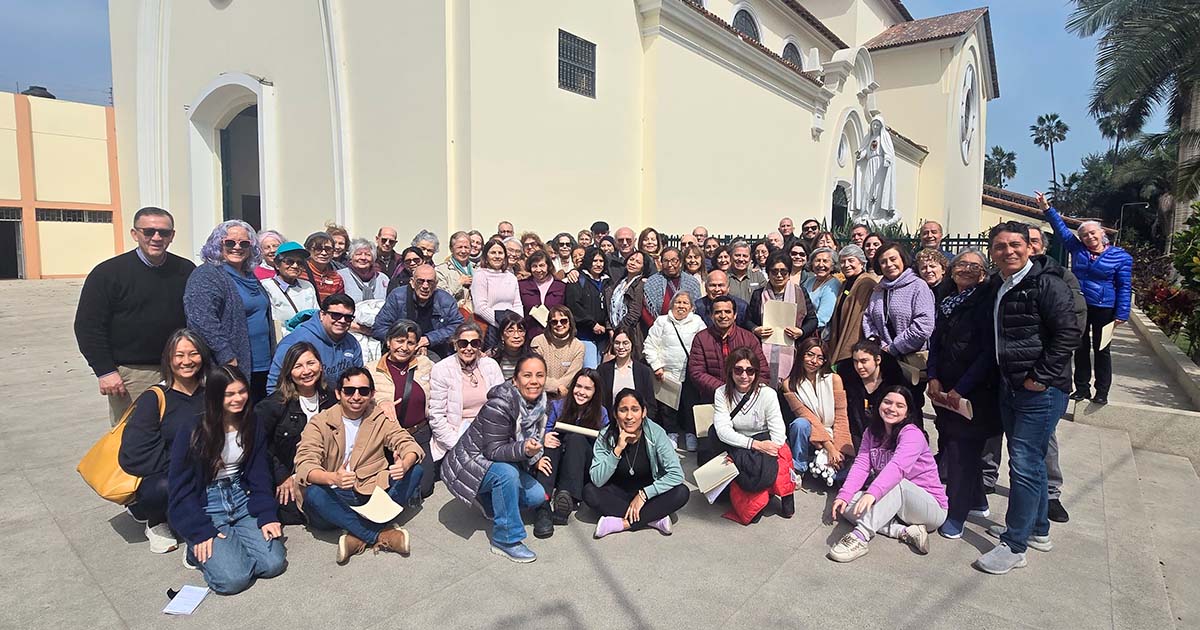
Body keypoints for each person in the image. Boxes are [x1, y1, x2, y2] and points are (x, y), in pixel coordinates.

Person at [974, 221, 1081, 575]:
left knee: (1022, 463)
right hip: (1011, 385)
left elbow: (1068, 334)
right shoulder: (1002, 284)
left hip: (1039, 390)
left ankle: (1014, 545)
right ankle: (1038, 529)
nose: (1009, 251)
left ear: (1030, 247)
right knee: (1030, 461)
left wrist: (1040, 377)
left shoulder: (1046, 283)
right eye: (1001, 246)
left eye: (1015, 244)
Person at [167, 366, 286, 594]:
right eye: (229, 394)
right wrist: (198, 529)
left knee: (273, 564)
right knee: (234, 580)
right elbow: (180, 487)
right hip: (206, 502)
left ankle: (231, 545)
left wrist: (266, 514)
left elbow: (259, 473)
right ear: (214, 396)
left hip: (241, 496)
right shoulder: (193, 429)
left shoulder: (252, 422)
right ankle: (196, 551)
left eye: (242, 392)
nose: (238, 399)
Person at [75, 206, 195, 425]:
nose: (156, 237)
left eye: (164, 232)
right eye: (148, 232)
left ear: (172, 236)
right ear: (135, 234)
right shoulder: (107, 273)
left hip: (181, 368)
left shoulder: (186, 270)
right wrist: (105, 371)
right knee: (133, 436)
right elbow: (88, 327)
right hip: (134, 375)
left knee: (180, 430)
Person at [295, 367, 422, 563]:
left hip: (369, 491)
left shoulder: (377, 417)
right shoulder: (320, 422)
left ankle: (357, 535)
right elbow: (304, 463)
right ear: (338, 393)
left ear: (372, 394)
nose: (356, 396)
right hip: (334, 497)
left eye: (363, 391)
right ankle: (379, 535)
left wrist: (404, 463)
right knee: (313, 493)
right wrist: (332, 478)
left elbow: (405, 441)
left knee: (416, 471)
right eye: (349, 390)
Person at [441, 354, 551, 563]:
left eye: (540, 375)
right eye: (527, 375)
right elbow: (494, 450)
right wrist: (525, 451)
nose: (534, 381)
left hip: (497, 462)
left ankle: (488, 500)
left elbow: (530, 438)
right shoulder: (500, 405)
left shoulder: (541, 404)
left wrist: (535, 453)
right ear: (515, 380)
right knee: (507, 475)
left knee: (536, 495)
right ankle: (505, 539)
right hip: (469, 464)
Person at [926, 250, 1002, 539]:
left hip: (974, 391)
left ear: (984, 273)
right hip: (944, 387)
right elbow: (936, 342)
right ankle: (978, 501)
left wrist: (961, 388)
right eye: (961, 264)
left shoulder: (986, 302)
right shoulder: (946, 301)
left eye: (975, 265)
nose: (966, 269)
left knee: (961, 451)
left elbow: (987, 353)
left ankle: (955, 514)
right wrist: (932, 376)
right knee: (954, 443)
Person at [827, 387, 947, 562]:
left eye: (900, 405)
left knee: (896, 483)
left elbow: (897, 469)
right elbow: (862, 465)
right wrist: (845, 495)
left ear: (907, 413)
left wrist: (872, 494)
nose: (892, 408)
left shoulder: (913, 434)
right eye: (888, 402)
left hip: (929, 508)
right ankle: (903, 531)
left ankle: (860, 537)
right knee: (847, 503)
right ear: (879, 404)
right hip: (895, 504)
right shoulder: (872, 432)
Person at [119, 329, 209, 553]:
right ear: (169, 359)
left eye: (193, 354)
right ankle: (154, 519)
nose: (186, 361)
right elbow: (134, 454)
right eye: (179, 355)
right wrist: (183, 465)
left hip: (205, 469)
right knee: (163, 487)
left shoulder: (211, 392)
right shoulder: (155, 398)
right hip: (165, 474)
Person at [1041, 194, 1131, 405]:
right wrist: (1047, 208)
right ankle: (1082, 388)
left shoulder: (1121, 257)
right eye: (1084, 235)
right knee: (1080, 347)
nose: (1089, 237)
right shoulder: (1078, 250)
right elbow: (1061, 230)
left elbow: (1125, 286)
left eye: (1092, 233)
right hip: (1080, 305)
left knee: (1102, 350)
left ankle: (1102, 391)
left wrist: (1122, 313)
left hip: (1105, 308)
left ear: (1102, 233)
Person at [185, 220, 275, 403]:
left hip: (262, 365)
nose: (237, 247)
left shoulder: (250, 276)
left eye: (244, 243)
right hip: (231, 366)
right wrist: (227, 356)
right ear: (217, 244)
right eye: (229, 242)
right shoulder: (207, 275)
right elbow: (202, 321)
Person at [585, 388, 689, 538]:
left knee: (681, 492)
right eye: (623, 410)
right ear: (615, 414)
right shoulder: (605, 435)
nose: (629, 416)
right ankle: (653, 518)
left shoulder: (656, 433)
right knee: (589, 492)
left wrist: (644, 494)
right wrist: (618, 449)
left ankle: (620, 523)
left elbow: (676, 474)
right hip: (618, 493)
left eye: (635, 410)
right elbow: (597, 479)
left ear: (643, 412)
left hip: (649, 494)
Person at [711, 348, 796, 524]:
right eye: (738, 370)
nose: (744, 376)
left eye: (750, 371)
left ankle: (777, 493)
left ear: (756, 373)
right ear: (730, 371)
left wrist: (770, 447)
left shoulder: (767, 394)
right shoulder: (721, 393)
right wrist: (754, 445)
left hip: (765, 440)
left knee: (777, 457)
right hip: (739, 442)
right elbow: (723, 430)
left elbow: (778, 430)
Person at [533, 368, 610, 536]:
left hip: (582, 465)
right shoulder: (558, 406)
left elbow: (605, 445)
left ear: (595, 392)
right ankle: (543, 505)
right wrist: (545, 437)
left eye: (587, 388)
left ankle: (566, 497)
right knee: (552, 443)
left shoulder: (602, 413)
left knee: (576, 438)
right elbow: (544, 429)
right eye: (578, 386)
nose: (581, 392)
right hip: (559, 459)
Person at [862, 242, 935, 412]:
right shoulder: (879, 289)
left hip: (909, 363)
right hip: (884, 360)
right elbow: (868, 318)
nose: (889, 265)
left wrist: (894, 347)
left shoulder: (918, 286)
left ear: (903, 259)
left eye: (893, 259)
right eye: (883, 262)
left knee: (908, 410)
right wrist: (876, 344)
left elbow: (923, 325)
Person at [371, 320, 439, 502]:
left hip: (419, 433)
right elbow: (360, 399)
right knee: (383, 481)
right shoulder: (371, 370)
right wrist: (380, 402)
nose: (404, 347)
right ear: (388, 342)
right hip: (387, 438)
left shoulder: (426, 364)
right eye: (399, 341)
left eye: (410, 342)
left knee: (425, 488)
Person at [428, 323, 506, 462]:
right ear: (455, 345)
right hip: (457, 434)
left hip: (488, 431)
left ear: (479, 346)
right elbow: (436, 415)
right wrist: (456, 444)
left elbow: (501, 406)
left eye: (474, 343)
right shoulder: (442, 369)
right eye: (463, 343)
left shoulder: (490, 366)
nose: (468, 348)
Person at [645, 292, 706, 452]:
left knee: (690, 404)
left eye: (685, 303)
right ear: (672, 305)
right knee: (668, 408)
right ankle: (671, 433)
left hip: (691, 373)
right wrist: (656, 366)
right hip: (667, 373)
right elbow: (650, 345)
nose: (681, 306)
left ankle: (691, 433)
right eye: (678, 302)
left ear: (692, 307)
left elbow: (705, 344)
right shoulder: (662, 321)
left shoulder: (698, 322)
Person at [782, 338, 852, 479]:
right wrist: (829, 448)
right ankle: (799, 468)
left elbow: (841, 416)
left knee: (842, 472)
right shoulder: (789, 384)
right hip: (810, 432)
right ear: (801, 355)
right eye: (809, 355)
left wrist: (838, 449)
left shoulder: (834, 379)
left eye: (820, 358)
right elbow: (807, 416)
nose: (814, 361)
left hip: (832, 430)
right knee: (800, 424)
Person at [267, 294, 363, 395]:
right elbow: (274, 384)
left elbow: (358, 377)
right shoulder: (295, 341)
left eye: (348, 317)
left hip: (338, 403)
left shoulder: (352, 343)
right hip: (297, 403)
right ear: (322, 315)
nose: (342, 320)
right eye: (336, 315)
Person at [747, 253, 818, 388]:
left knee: (790, 389)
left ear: (789, 273)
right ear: (768, 273)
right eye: (774, 271)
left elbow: (812, 320)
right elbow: (748, 320)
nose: (779, 275)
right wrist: (755, 329)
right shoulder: (758, 294)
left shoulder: (800, 292)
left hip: (793, 349)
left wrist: (801, 332)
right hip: (764, 349)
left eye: (783, 271)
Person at [374, 263, 464, 360]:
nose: (425, 286)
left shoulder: (446, 300)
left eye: (430, 282)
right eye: (420, 281)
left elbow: (458, 327)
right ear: (412, 282)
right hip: (399, 348)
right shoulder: (397, 297)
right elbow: (379, 328)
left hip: (435, 348)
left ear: (436, 285)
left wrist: (429, 339)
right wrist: (409, 342)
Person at [688, 296, 767, 407]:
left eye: (727, 312)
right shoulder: (701, 338)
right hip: (713, 399)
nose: (723, 316)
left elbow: (762, 371)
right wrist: (725, 390)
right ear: (711, 316)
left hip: (746, 401)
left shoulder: (749, 338)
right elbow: (697, 372)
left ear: (735, 315)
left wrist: (745, 391)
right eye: (718, 312)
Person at [837, 339, 908, 446]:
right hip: (856, 436)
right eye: (855, 361)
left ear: (877, 360)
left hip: (888, 438)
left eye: (864, 361)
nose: (859, 366)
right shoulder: (849, 380)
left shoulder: (893, 383)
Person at [829, 245, 878, 363]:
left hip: (855, 346)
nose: (846, 265)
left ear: (861, 262)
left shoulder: (866, 283)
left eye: (851, 260)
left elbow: (857, 319)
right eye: (842, 262)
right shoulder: (847, 283)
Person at [474, 239, 524, 349]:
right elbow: (480, 308)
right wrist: (504, 326)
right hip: (491, 328)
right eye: (493, 253)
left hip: (512, 329)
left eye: (500, 253)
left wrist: (516, 326)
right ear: (486, 256)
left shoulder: (511, 277)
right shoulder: (480, 275)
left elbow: (517, 304)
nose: (497, 256)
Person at [260, 241, 318, 334]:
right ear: (277, 265)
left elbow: (316, 315)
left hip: (309, 339)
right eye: (289, 262)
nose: (295, 266)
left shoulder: (307, 286)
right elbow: (272, 321)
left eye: (300, 263)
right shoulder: (267, 287)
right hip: (284, 341)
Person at [530, 305, 586, 399]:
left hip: (565, 396)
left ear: (570, 323)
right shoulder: (538, 342)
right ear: (549, 324)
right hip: (539, 394)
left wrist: (559, 389)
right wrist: (558, 387)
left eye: (563, 321)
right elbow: (535, 373)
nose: (559, 324)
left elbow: (572, 376)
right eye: (554, 322)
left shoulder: (578, 346)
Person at [567, 248, 611, 367]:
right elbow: (574, 306)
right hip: (585, 335)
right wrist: (592, 324)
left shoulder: (608, 281)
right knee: (591, 369)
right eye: (594, 260)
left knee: (602, 372)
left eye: (601, 261)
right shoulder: (578, 280)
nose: (598, 264)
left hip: (604, 336)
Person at [641, 247, 701, 330]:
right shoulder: (652, 282)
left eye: (674, 260)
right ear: (661, 262)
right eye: (666, 261)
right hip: (658, 329)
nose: (670, 265)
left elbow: (697, 308)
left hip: (687, 329)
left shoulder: (692, 283)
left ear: (680, 262)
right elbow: (646, 310)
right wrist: (658, 328)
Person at [606, 250, 652, 351]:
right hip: (613, 331)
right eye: (631, 259)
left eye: (638, 262)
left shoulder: (641, 285)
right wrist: (610, 329)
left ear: (643, 267)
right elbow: (609, 307)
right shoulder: (619, 283)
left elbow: (634, 313)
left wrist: (619, 331)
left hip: (631, 333)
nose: (633, 263)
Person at [599, 328, 656, 408]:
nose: (621, 347)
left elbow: (650, 403)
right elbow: (600, 402)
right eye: (617, 343)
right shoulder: (603, 370)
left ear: (632, 344)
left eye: (625, 343)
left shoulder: (643, 371)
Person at [519, 250, 567, 340]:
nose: (538, 270)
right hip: (530, 335)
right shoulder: (522, 285)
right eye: (534, 266)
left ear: (548, 266)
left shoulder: (561, 286)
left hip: (555, 335)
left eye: (541, 265)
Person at [804, 247, 842, 337]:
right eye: (817, 261)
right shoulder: (810, 281)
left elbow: (822, 318)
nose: (821, 265)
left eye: (825, 261)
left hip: (818, 334)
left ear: (833, 266)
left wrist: (803, 329)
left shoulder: (832, 285)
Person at [337, 238, 389, 303]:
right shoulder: (340, 276)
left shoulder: (383, 279)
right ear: (351, 257)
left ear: (373, 259)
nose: (363, 258)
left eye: (368, 255)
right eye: (358, 254)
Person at [434, 231, 475, 310]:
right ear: (451, 249)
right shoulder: (441, 270)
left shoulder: (477, 269)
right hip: (453, 316)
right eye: (459, 247)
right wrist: (458, 283)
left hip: (476, 317)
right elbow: (440, 298)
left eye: (466, 247)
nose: (463, 251)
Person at [303, 232, 345, 302]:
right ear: (308, 250)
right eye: (318, 249)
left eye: (328, 249)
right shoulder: (300, 272)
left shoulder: (336, 278)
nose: (324, 253)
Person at [491, 312, 530, 379]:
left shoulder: (532, 357)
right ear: (502, 336)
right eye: (510, 331)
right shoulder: (492, 356)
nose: (516, 336)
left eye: (520, 331)